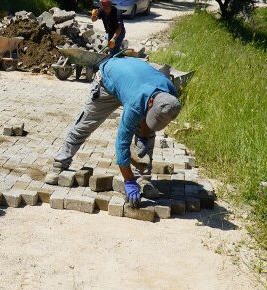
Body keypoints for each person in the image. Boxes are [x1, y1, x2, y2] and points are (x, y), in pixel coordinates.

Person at [44, 57, 182, 208]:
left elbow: (151, 115)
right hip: (107, 81)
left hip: (134, 83)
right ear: (150, 102)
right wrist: (128, 181)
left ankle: (143, 179)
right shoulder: (136, 103)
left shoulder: (171, 95)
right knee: (86, 124)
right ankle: (60, 163)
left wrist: (143, 136)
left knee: (148, 135)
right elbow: (122, 143)